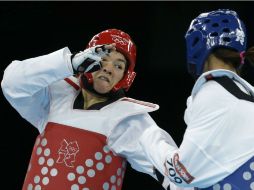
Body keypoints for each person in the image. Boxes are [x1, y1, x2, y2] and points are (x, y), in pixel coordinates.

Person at [1, 29, 192, 190]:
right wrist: (69, 63)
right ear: (86, 59)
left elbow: (174, 169)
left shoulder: (128, 119)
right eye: (104, 58)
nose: (109, 68)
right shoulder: (56, 97)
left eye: (119, 65)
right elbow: (12, 83)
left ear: (125, 78)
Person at [139, 9, 254, 189]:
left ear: (198, 44)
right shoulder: (244, 94)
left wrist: (147, 136)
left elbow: (181, 174)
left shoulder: (215, 92)